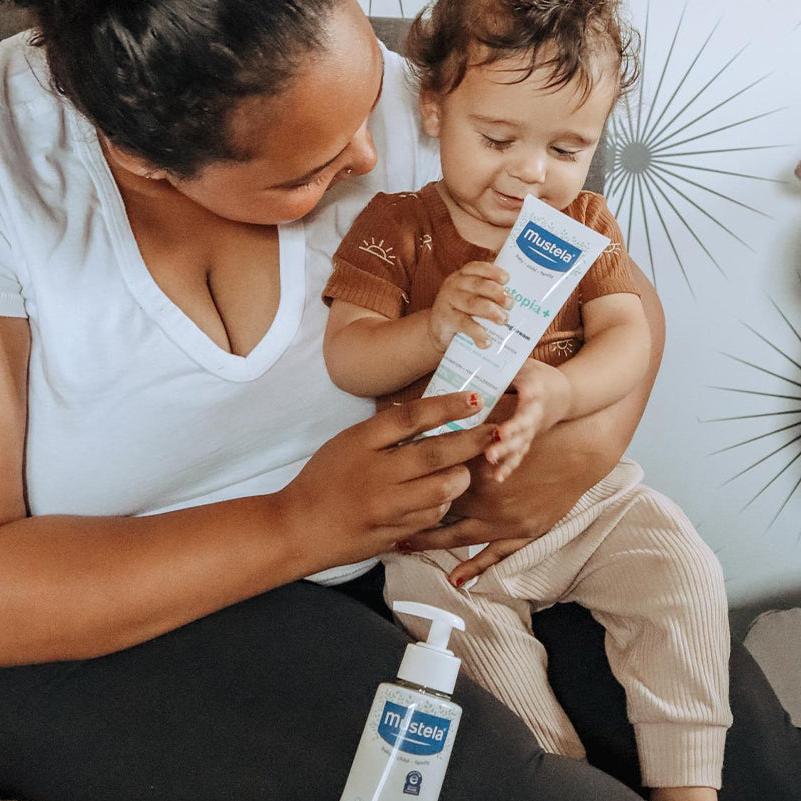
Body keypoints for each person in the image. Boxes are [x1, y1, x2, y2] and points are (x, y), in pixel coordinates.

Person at [0, 1, 800, 800]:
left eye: (371, 96)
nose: (371, 154)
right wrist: (301, 522)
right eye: (311, 171)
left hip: (393, 545)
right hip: (70, 617)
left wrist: (571, 455)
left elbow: (609, 285)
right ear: (144, 160)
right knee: (499, 777)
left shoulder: (424, 107)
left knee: (736, 746)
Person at [322, 2, 800, 800]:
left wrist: (564, 387)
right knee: (464, 645)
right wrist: (433, 328)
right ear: (435, 109)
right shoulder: (395, 226)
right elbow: (350, 357)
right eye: (499, 139)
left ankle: (689, 782)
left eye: (568, 146)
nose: (531, 172)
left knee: (683, 575)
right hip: (448, 536)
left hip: (589, 506)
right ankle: (560, 774)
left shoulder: (583, 221)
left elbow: (630, 334)